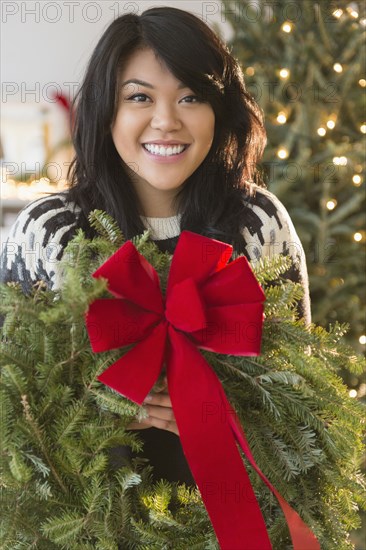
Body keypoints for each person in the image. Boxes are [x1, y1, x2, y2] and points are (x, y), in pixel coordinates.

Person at [0, 6, 310, 486]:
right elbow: (12, 405)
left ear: (219, 111)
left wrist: (217, 407)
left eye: (191, 97)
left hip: (236, 512)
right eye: (139, 97)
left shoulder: (257, 222)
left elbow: (303, 400)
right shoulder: (48, 232)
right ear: (107, 111)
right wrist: (98, 410)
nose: (166, 121)